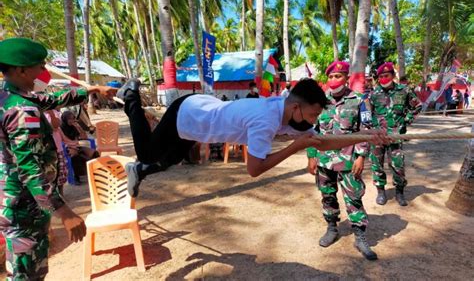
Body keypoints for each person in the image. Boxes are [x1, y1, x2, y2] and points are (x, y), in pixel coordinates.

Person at [116, 78, 389, 198]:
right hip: (188, 114)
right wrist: (295, 146)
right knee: (148, 153)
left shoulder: (289, 114)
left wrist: (366, 137)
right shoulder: (265, 121)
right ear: (296, 108)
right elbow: (254, 170)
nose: (313, 122)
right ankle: (131, 97)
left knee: (171, 160)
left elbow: (322, 141)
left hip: (201, 118)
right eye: (312, 115)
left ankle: (138, 171)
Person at [0, 38, 116, 280]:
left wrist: (92, 90)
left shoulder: (10, 98)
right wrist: (65, 212)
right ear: (20, 70)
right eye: (39, 66)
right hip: (25, 209)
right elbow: (30, 169)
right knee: (26, 274)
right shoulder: (22, 111)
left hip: (17, 203)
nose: (43, 72)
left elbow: (51, 100)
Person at [306, 61, 376, 260]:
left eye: (338, 76)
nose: (334, 80)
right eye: (331, 76)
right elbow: (312, 131)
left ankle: (360, 236)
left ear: (346, 78)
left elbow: (366, 130)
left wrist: (361, 156)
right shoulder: (319, 101)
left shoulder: (360, 100)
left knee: (354, 197)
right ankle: (331, 228)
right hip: (324, 160)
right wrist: (311, 156)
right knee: (327, 195)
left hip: (348, 159)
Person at [369, 62, 422, 206]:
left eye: (386, 75)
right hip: (377, 136)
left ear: (393, 76)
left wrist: (405, 121)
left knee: (398, 165)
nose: (383, 79)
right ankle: (381, 191)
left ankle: (399, 191)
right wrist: (370, 129)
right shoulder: (374, 93)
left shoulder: (404, 90)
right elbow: (367, 113)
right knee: (377, 164)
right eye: (380, 77)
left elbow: (417, 106)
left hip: (395, 135)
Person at [60, 110, 100, 184]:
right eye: (70, 119)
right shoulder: (61, 128)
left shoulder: (73, 127)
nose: (72, 120)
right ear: (65, 119)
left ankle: (95, 173)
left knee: (95, 153)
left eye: (73, 118)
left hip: (76, 146)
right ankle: (76, 176)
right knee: (75, 156)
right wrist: (72, 145)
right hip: (67, 147)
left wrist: (78, 127)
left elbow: (83, 137)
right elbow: (62, 141)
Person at [44, 110, 68, 197]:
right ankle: (52, 194)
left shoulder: (55, 113)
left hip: (58, 149)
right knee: (49, 173)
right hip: (46, 150)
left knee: (61, 172)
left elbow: (55, 126)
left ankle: (61, 194)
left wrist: (51, 114)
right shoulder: (36, 112)